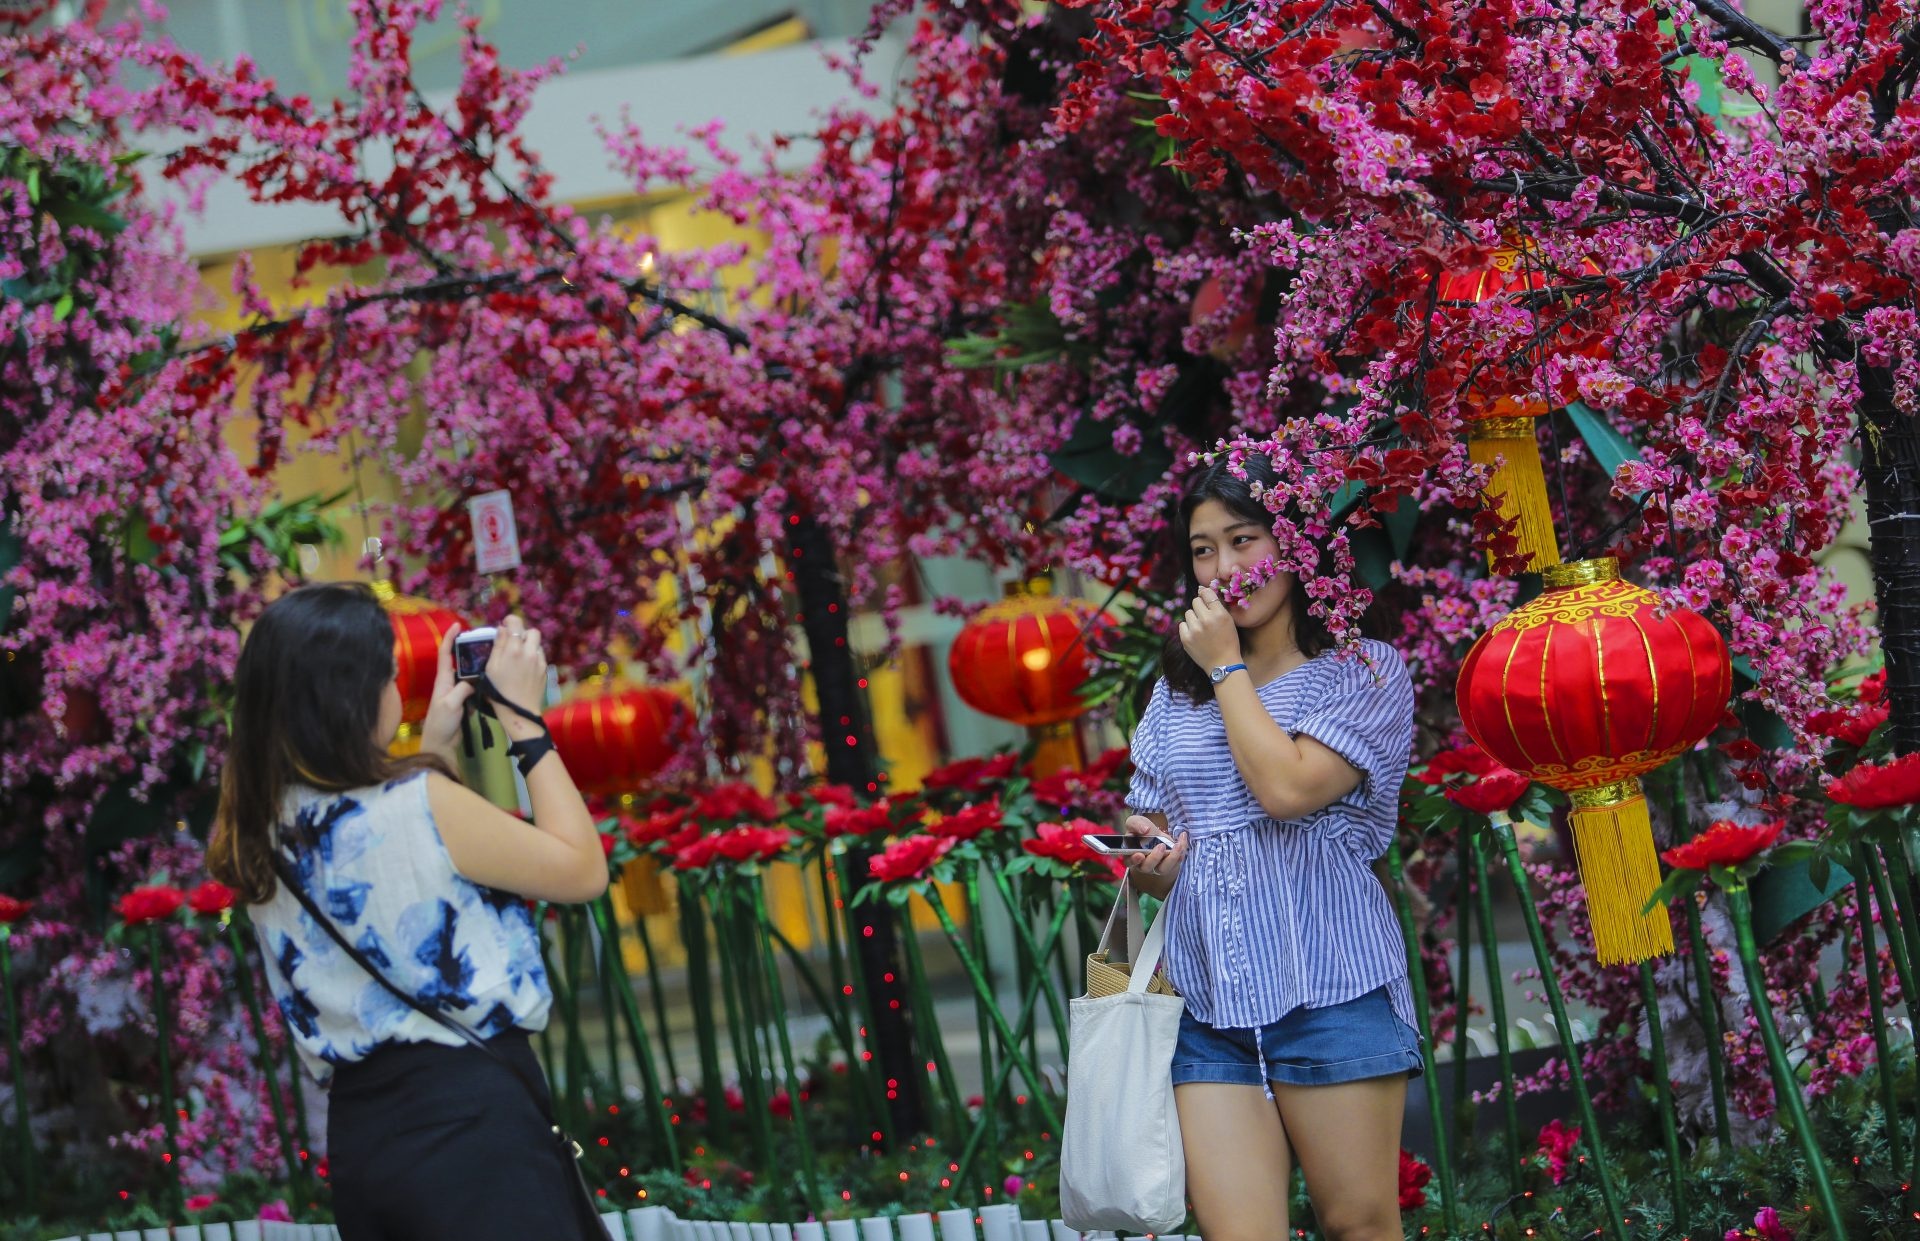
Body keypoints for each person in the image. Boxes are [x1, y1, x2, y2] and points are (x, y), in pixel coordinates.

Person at [207, 582, 609, 1241]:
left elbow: (404, 874)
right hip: (474, 1135)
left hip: (367, 1144)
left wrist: (436, 743)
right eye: (391, 674)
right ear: (354, 698)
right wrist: (524, 723)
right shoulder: (417, 805)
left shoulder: (262, 834)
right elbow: (582, 868)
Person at [1123, 455, 1419, 1241]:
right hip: (1207, 1003)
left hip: (1328, 987)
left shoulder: (1360, 672)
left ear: (1296, 545)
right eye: (1203, 549)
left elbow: (1286, 790)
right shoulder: (1171, 694)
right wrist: (1150, 861)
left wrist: (1225, 664)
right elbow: (1150, 823)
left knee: (1357, 1223)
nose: (1224, 568)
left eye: (1244, 539)